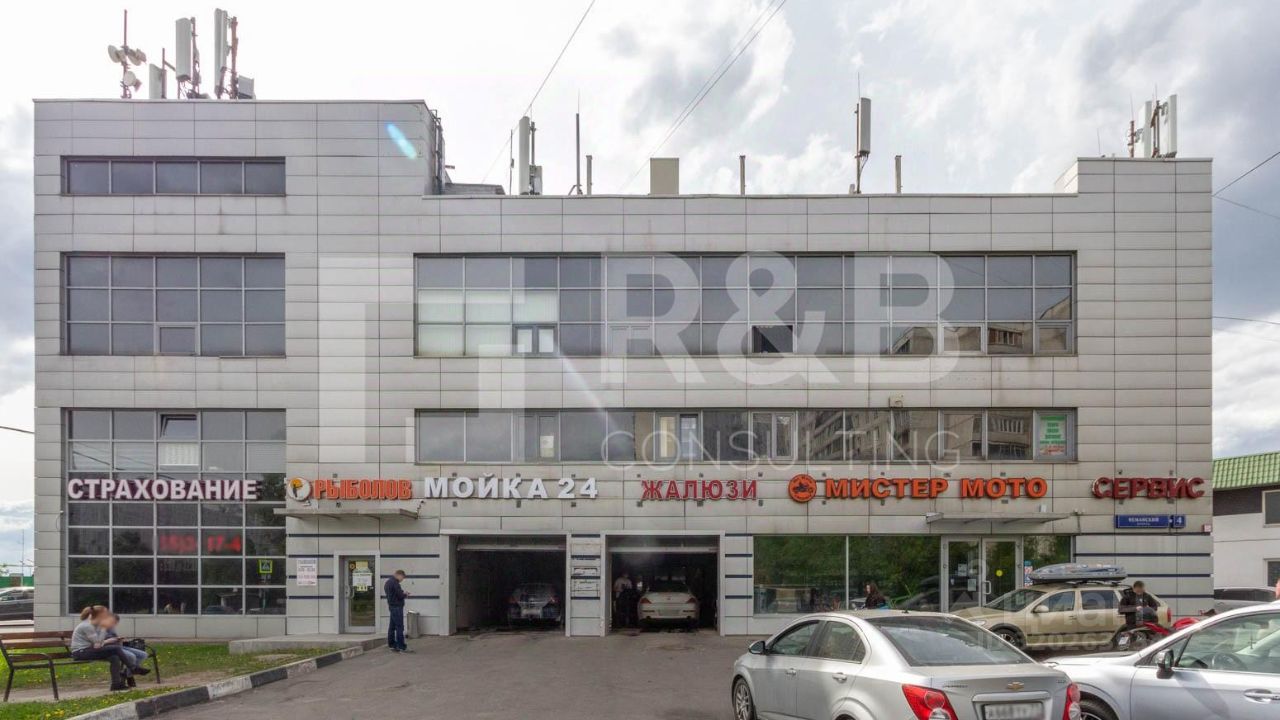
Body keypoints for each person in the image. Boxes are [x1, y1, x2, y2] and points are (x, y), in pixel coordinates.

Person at [70, 606, 147, 691]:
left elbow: (98, 644)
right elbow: (98, 643)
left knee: (114, 657)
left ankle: (116, 685)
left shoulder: (93, 625)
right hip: (80, 652)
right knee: (116, 649)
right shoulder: (87, 626)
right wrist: (104, 628)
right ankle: (133, 668)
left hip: (88, 650)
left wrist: (103, 632)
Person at [101, 613, 148, 686]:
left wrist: (119, 640)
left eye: (116, 623)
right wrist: (113, 640)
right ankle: (130, 676)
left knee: (143, 655)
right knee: (132, 656)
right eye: (113, 622)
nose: (114, 624)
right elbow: (101, 642)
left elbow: (114, 638)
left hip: (119, 646)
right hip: (111, 648)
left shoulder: (112, 628)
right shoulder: (102, 629)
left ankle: (126, 673)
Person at [385, 570, 411, 653]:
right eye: (402, 578)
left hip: (391, 606)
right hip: (397, 607)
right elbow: (400, 595)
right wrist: (405, 594)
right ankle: (401, 647)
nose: (402, 580)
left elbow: (393, 594)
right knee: (400, 627)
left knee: (392, 627)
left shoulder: (388, 582)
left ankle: (392, 645)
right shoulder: (395, 583)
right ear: (399, 575)